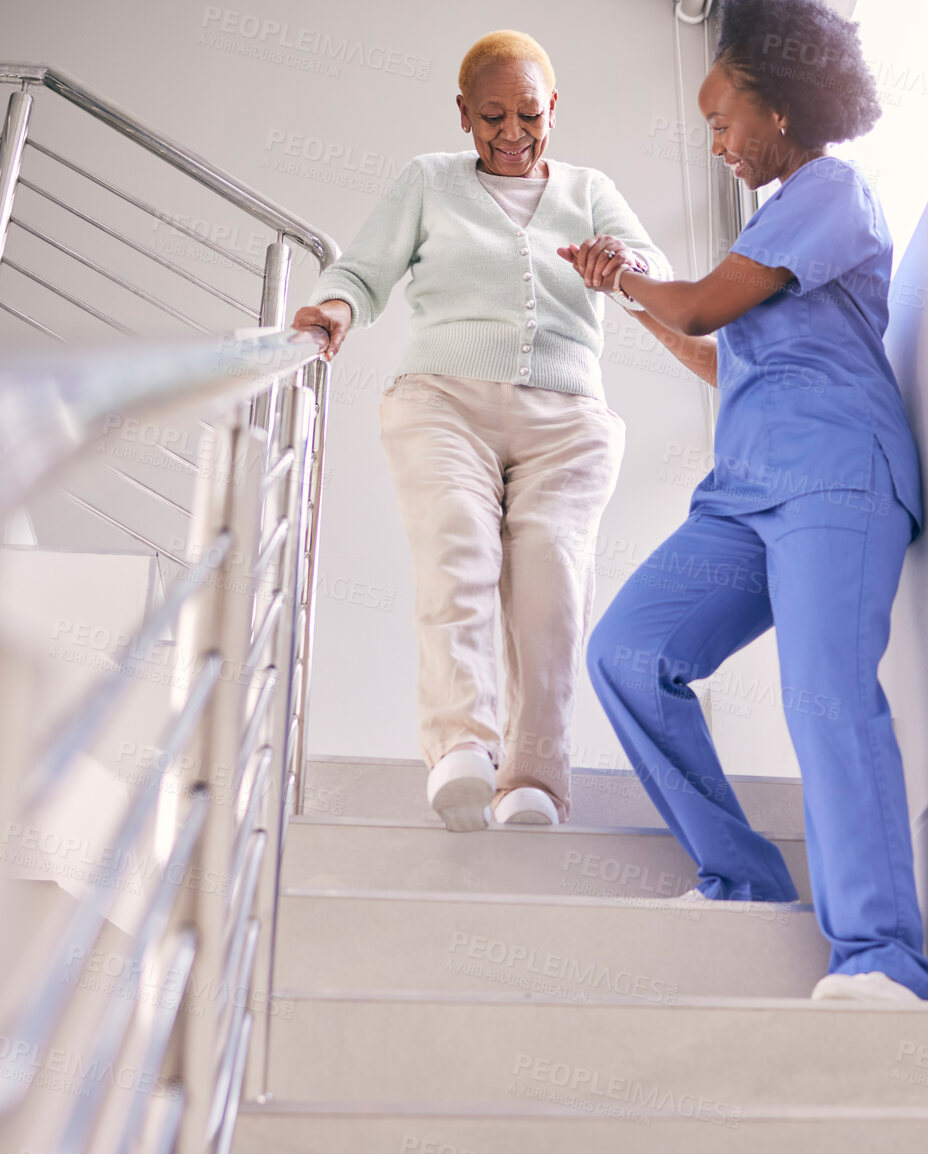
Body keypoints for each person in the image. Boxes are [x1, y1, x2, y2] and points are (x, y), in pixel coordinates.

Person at [566, 0, 928, 1002]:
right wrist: (633, 295)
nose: (719, 140)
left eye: (723, 116)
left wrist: (641, 281)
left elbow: (696, 302)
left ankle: (882, 954)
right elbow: (715, 351)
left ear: (778, 105)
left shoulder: (831, 191)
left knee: (824, 695)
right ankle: (742, 876)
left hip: (837, 476)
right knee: (629, 653)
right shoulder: (772, 227)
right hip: (744, 493)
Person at [293, 30, 670, 831]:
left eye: (528, 114)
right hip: (444, 403)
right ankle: (462, 747)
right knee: (457, 548)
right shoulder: (428, 182)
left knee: (551, 588)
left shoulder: (589, 187)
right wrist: (334, 309)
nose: (511, 132)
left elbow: (655, 273)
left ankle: (533, 776)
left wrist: (621, 265)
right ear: (462, 115)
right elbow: (362, 271)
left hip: (565, 419)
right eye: (491, 115)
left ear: (553, 109)